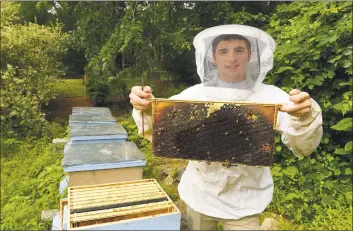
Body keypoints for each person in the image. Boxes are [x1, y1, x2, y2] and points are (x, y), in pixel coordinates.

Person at [129, 25, 323, 230]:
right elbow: (159, 128)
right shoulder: (195, 95)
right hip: (199, 194)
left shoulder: (271, 96)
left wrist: (304, 117)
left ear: (250, 55)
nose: (232, 58)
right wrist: (145, 107)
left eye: (239, 50)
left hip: (244, 200)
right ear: (213, 57)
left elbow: (303, 146)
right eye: (224, 51)